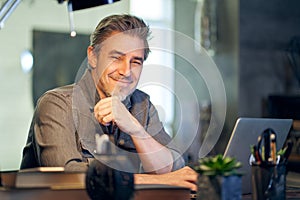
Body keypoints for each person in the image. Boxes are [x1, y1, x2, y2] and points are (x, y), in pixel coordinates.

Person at [20, 14, 198, 191]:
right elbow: (67, 177)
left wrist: (134, 128)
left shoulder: (142, 104)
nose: (126, 71)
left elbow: (173, 166)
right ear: (93, 57)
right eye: (116, 58)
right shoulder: (56, 104)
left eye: (135, 61)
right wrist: (162, 181)